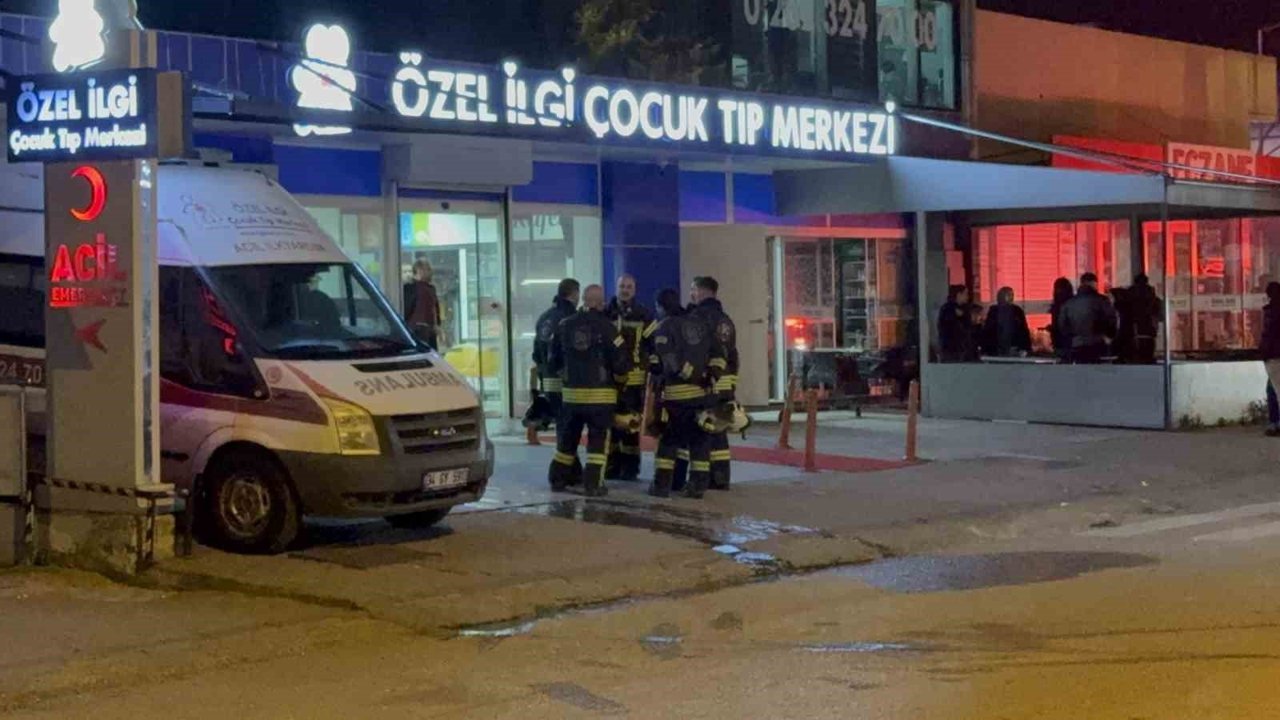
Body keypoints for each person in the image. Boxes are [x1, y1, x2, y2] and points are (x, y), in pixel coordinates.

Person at [546, 285, 631, 497]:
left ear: (584, 300)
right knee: (597, 444)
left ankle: (557, 479)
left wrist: (567, 378)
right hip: (601, 398)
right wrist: (621, 385)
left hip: (572, 397)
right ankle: (593, 484)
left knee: (567, 442)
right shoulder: (608, 328)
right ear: (601, 303)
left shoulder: (564, 325)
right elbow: (621, 362)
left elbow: (553, 360)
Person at [647, 288, 724, 499]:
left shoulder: (664, 327)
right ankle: (697, 487)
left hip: (677, 397)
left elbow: (668, 360)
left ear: (661, 307)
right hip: (703, 395)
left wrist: (689, 374)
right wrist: (711, 375)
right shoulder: (701, 324)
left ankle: (661, 486)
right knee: (699, 441)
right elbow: (719, 354)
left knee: (669, 441)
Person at [688, 276, 738, 491]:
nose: (691, 294)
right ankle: (721, 477)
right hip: (725, 384)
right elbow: (733, 355)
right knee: (719, 432)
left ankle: (702, 478)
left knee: (703, 430)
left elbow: (696, 350)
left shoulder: (699, 317)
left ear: (701, 291)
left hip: (707, 383)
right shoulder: (726, 320)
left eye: (693, 290)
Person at [604, 274, 653, 482]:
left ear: (635, 290)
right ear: (616, 288)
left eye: (629, 287)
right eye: (622, 286)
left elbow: (652, 343)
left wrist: (648, 365)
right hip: (610, 379)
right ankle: (612, 466)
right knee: (611, 423)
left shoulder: (643, 314)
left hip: (634, 379)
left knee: (631, 424)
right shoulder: (606, 312)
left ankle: (630, 468)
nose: (625, 290)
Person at [532, 279, 581, 437]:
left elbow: (536, 353)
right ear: (574, 294)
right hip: (568, 381)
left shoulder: (543, 318)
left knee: (561, 424)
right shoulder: (572, 317)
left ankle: (562, 451)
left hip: (548, 381)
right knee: (570, 426)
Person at [1060, 272, 1118, 364]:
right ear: (1094, 283)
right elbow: (1112, 320)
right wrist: (1109, 337)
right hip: (1098, 343)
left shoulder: (1068, 303)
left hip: (1076, 345)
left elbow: (1062, 326)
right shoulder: (1102, 301)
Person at [981, 287, 1031, 357]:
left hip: (1014, 347)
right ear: (1001, 296)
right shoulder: (994, 311)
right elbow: (988, 330)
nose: (1011, 297)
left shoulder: (1017, 311)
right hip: (996, 348)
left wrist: (1025, 347)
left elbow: (1023, 329)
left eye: (1012, 295)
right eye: (1009, 295)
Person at [403, 260, 442, 350]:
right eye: (426, 269)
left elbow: (435, 310)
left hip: (425, 329)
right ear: (419, 271)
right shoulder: (410, 288)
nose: (428, 272)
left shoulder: (430, 288)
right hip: (418, 329)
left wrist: (436, 325)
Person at [1127, 274, 1164, 364]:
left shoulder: (1129, 296)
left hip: (1133, 330)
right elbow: (1160, 316)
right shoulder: (1154, 298)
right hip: (1150, 330)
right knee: (1148, 355)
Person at [1260, 282, 1280, 437]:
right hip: (1274, 355)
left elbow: (1268, 334)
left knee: (1274, 389)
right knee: (1272, 389)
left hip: (1274, 356)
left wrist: (1263, 352)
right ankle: (1275, 422)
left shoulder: (1272, 312)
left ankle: (1275, 423)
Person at [937, 285, 972, 363]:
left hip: (961, 349)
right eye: (965, 294)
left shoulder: (965, 309)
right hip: (951, 349)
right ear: (959, 294)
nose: (967, 297)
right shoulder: (948, 309)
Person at [1048, 277, 1075, 360]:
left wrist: (1052, 329)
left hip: (1060, 342)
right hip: (1072, 341)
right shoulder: (1073, 304)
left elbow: (1058, 325)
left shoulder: (1056, 307)